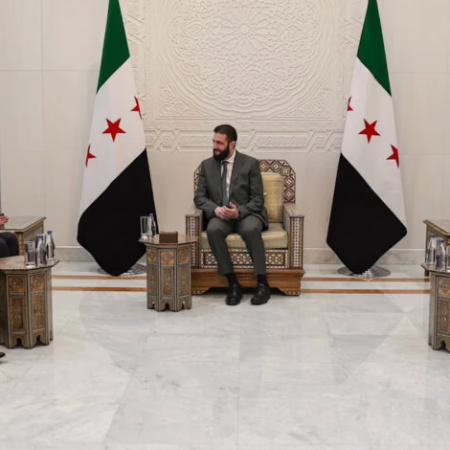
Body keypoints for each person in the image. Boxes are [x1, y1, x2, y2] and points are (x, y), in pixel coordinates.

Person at [194, 124, 271, 306]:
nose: (215, 146)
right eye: (214, 142)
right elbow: (199, 197)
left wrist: (239, 212)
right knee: (213, 229)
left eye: (220, 143)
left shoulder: (250, 163)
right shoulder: (207, 165)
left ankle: (263, 283)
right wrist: (216, 209)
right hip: (221, 216)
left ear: (232, 145)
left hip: (246, 214)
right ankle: (233, 283)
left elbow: (258, 199)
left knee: (251, 229)